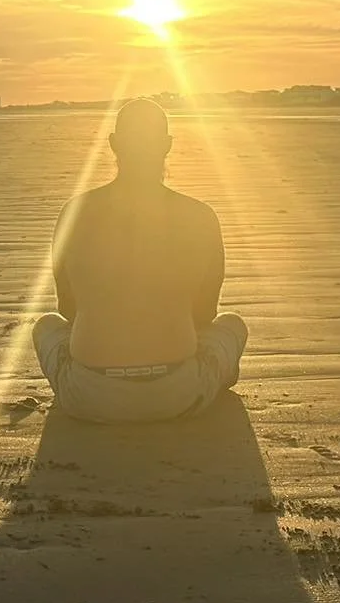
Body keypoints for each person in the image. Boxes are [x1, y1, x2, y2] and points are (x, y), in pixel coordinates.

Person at [33, 99, 248, 423]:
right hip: (178, 393)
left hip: (88, 395)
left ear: (114, 144)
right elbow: (205, 314)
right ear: (167, 146)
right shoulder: (200, 216)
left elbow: (68, 310)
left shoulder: (73, 214)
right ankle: (210, 381)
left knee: (46, 325)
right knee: (232, 325)